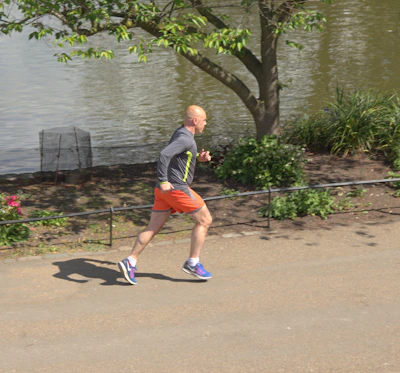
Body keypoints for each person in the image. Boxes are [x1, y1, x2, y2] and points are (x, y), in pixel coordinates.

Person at [118, 105, 213, 285]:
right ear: (195, 120)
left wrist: (198, 159)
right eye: (204, 120)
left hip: (164, 191)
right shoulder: (186, 139)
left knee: (152, 228)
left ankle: (130, 261)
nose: (205, 124)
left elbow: (178, 158)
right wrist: (163, 179)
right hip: (176, 189)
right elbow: (164, 155)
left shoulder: (181, 133)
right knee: (205, 220)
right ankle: (193, 263)